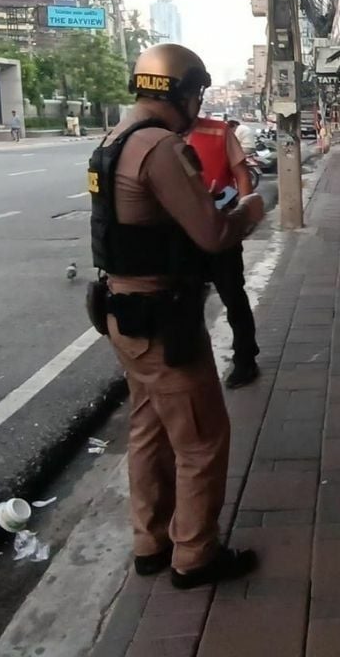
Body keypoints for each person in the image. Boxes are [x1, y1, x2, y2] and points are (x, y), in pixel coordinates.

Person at [88, 43, 265, 589]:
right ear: (183, 92)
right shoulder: (160, 147)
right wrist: (253, 209)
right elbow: (211, 235)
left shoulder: (112, 139)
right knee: (202, 438)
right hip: (160, 317)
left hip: (123, 312)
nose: (198, 104)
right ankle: (194, 554)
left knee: (148, 427)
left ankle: (151, 540)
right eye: (196, 94)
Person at [186, 116, 261, 388]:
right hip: (182, 235)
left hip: (222, 226)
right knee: (185, 301)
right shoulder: (159, 132)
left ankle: (245, 359)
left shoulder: (218, 131)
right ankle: (190, 364)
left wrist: (245, 215)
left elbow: (241, 175)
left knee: (233, 296)